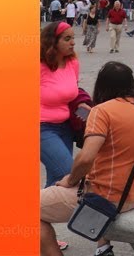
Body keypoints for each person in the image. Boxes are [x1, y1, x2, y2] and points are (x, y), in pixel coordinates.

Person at [39, 61, 134, 256]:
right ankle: (103, 248)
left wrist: (70, 180)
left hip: (107, 197)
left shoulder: (102, 111)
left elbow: (86, 158)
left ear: (101, 85)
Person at [40, 22, 79, 187]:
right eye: (67, 38)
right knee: (69, 173)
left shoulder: (72, 64)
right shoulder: (38, 66)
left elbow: (73, 92)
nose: (73, 43)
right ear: (52, 42)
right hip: (42, 128)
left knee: (56, 180)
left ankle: (44, 211)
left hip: (65, 127)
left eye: (73, 38)